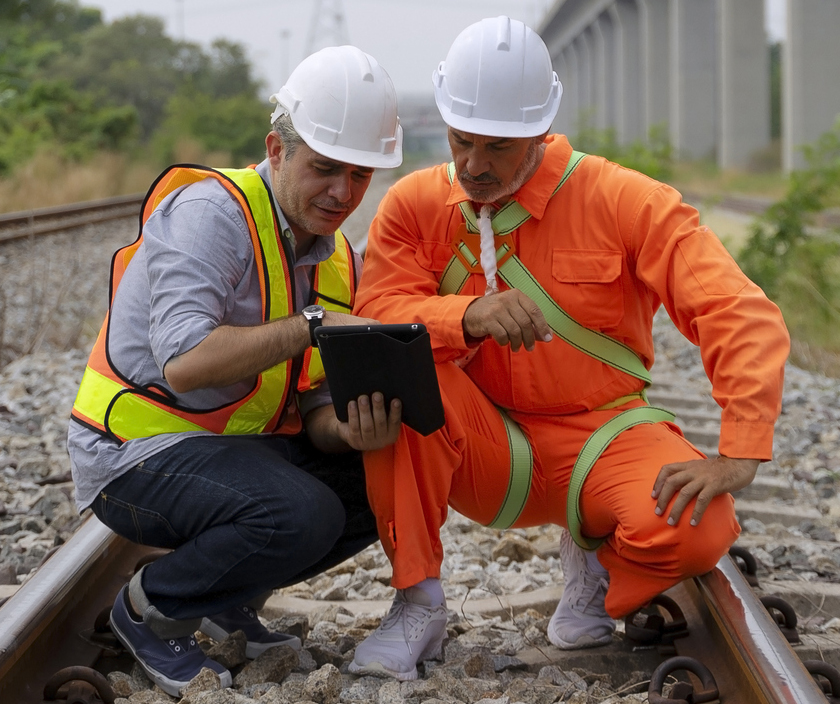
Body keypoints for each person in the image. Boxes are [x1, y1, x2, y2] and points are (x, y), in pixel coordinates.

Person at [347, 16, 790, 681]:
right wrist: (465, 315)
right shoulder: (414, 205)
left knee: (697, 528)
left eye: (498, 146)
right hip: (486, 445)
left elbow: (735, 307)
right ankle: (418, 602)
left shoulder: (623, 198)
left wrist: (741, 449)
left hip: (603, 436)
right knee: (399, 369)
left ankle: (596, 565)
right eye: (462, 140)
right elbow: (375, 313)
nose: (474, 164)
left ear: (540, 128)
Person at [67, 45, 404, 696]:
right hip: (133, 452)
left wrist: (349, 433)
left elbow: (312, 404)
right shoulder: (210, 216)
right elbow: (186, 362)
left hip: (229, 451)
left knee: (382, 479)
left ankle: (226, 604)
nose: (342, 192)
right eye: (324, 168)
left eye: (360, 174)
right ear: (277, 151)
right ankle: (151, 609)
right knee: (300, 513)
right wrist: (311, 325)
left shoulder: (335, 258)